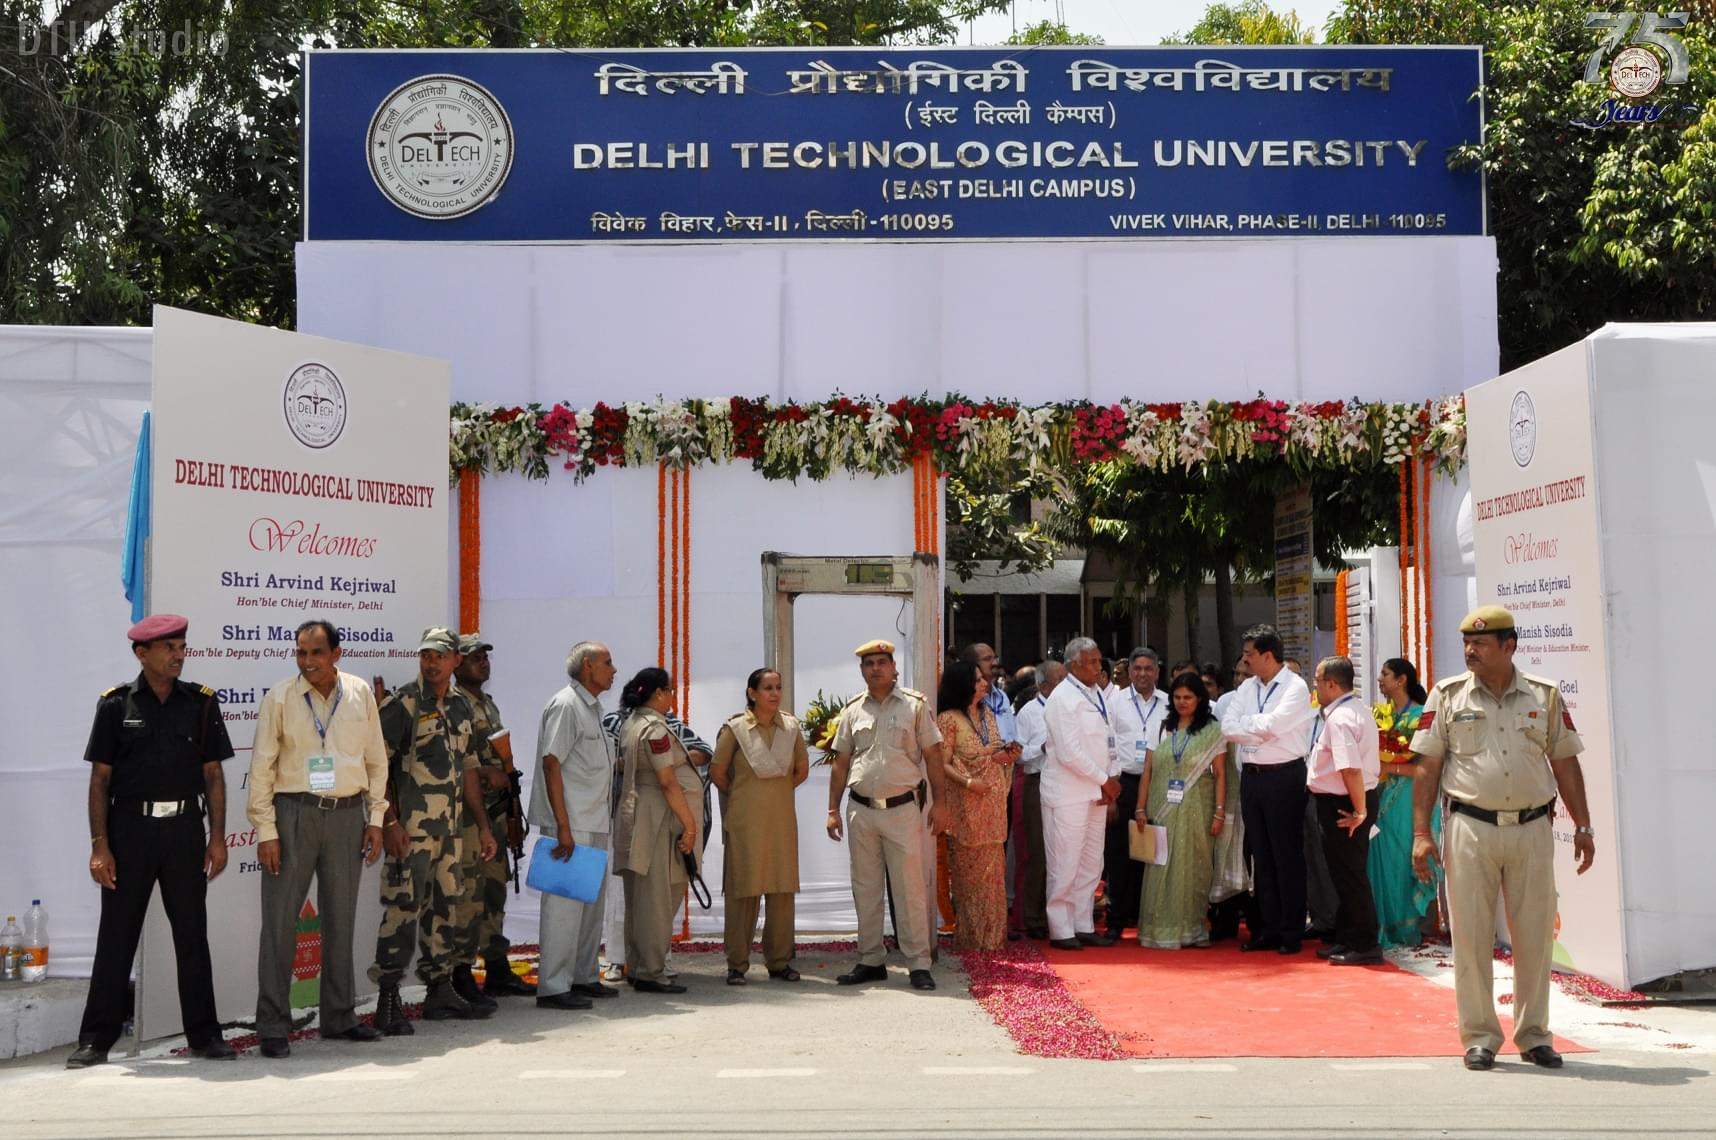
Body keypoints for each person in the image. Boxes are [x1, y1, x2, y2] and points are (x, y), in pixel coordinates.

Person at [1411, 606, 1595, 1072]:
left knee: (1534, 935)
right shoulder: (1446, 695)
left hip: (1532, 828)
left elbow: (1565, 762)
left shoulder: (1544, 695)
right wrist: (1421, 833)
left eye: (1481, 643)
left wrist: (1583, 825)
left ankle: (1534, 1035)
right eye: (1467, 643)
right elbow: (1427, 766)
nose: (1470, 650)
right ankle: (1479, 1037)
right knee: (1471, 935)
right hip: (1470, 827)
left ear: (1509, 646)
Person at [68, 615, 237, 1068]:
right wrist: (100, 845)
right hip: (130, 832)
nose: (179, 655)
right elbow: (100, 780)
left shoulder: (201, 702)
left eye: (182, 646)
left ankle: (205, 1034)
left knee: (192, 934)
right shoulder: (115, 705)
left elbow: (213, 775)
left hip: (184, 831)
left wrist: (217, 838)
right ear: (142, 654)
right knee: (117, 936)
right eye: (169, 648)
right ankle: (96, 1039)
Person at [247, 620, 388, 1059]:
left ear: (336, 654)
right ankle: (273, 1025)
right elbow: (261, 768)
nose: (307, 662)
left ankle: (340, 1017)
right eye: (301, 653)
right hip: (294, 814)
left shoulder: (359, 693)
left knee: (341, 920)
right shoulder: (280, 698)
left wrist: (376, 818)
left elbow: (376, 761)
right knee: (279, 924)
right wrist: (266, 830)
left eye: (316, 653)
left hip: (347, 816)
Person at [369, 628, 498, 1034]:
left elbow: (470, 768)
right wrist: (389, 822)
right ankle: (388, 996)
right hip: (411, 832)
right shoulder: (404, 704)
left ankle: (439, 989)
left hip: (451, 832)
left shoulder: (462, 706)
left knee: (446, 908)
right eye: (426, 655)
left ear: (455, 660)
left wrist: (483, 826)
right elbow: (377, 766)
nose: (432, 663)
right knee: (402, 910)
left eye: (440, 656)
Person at [826, 638, 949, 991]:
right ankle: (870, 959)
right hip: (861, 810)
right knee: (865, 888)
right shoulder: (853, 710)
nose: (876, 668)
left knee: (909, 889)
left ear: (894, 668)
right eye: (869, 664)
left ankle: (918, 963)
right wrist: (832, 809)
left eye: (882, 662)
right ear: (862, 670)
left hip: (902, 810)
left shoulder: (914, 706)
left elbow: (934, 756)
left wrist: (941, 803)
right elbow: (841, 762)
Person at [529, 641, 619, 1011]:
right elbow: (552, 763)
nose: (614, 670)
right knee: (564, 910)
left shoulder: (592, 708)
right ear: (587, 666)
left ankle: (583, 976)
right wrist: (562, 826)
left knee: (589, 907)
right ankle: (553, 987)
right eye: (607, 662)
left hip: (593, 820)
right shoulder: (566, 704)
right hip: (571, 823)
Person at [710, 668, 809, 984]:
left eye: (778, 687)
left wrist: (773, 795)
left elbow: (801, 770)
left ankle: (779, 961)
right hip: (745, 822)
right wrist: (746, 797)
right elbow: (718, 772)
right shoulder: (735, 729)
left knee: (782, 890)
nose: (775, 693)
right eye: (768, 688)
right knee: (743, 890)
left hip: (780, 821)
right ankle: (737, 964)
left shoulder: (791, 727)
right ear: (752, 693)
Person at [599, 705, 711, 982]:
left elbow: (703, 751)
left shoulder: (670, 723)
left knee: (660, 896)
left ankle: (660, 959)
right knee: (621, 896)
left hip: (665, 820)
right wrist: (648, 762)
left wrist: (666, 761)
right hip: (625, 817)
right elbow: (607, 760)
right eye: (664, 691)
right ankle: (617, 960)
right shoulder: (615, 721)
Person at [1221, 624, 1313, 954]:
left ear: (1268, 655)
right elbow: (1228, 727)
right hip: (1253, 778)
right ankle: (1267, 927)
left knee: (1286, 854)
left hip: (1284, 776)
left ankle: (1291, 931)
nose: (1244, 660)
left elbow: (1275, 726)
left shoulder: (1295, 686)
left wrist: (1250, 725)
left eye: (1249, 654)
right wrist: (1257, 728)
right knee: (1260, 854)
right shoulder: (1248, 688)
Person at [451, 633, 534, 1001]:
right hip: (469, 815)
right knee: (469, 893)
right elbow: (454, 761)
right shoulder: (454, 705)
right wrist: (486, 773)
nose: (483, 663)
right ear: (457, 664)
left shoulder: (487, 704)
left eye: (485, 657)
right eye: (475, 658)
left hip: (496, 811)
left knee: (494, 890)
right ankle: (461, 973)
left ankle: (497, 967)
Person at [1041, 637, 1122, 951]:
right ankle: (1061, 929)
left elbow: (1109, 737)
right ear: (1073, 665)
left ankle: (1083, 923)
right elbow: (1069, 752)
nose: (1098, 667)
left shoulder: (1096, 692)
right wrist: (1104, 780)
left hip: (1096, 790)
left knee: (1091, 863)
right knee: (1065, 862)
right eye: (1091, 661)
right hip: (1068, 793)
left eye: (1099, 660)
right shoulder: (1062, 697)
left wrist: (1113, 775)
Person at [1136, 671, 1226, 949]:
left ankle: (1193, 930)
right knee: (1160, 867)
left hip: (1198, 810)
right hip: (1162, 809)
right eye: (1177, 697)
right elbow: (1148, 771)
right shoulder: (1161, 727)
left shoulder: (1212, 731)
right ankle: (1159, 929)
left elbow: (1220, 775)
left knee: (1194, 868)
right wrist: (1140, 808)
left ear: (1200, 699)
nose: (1182, 702)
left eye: (1188, 697)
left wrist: (1219, 812)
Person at [936, 661, 1019, 951]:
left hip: (992, 807)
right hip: (967, 809)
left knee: (994, 874)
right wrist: (970, 782)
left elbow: (993, 755)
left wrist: (1007, 757)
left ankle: (994, 938)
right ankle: (973, 939)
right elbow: (942, 764)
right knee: (970, 877)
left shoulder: (987, 714)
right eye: (978, 680)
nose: (985, 683)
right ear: (964, 685)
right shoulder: (948, 719)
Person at [1307, 656, 1383, 965]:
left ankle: (1365, 943)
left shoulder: (1340, 718)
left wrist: (1359, 812)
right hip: (1349, 800)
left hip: (1346, 803)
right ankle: (1348, 936)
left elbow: (1350, 769)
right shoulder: (1354, 710)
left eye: (1317, 681)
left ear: (1331, 684)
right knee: (1342, 873)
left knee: (1350, 875)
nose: (1315, 687)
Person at [1371, 657, 1439, 949]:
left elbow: (1430, 768)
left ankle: (1407, 927)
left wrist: (1391, 767)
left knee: (1402, 858)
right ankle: (1384, 925)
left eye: (1385, 674)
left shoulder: (1421, 716)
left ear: (1401, 680)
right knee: (1382, 857)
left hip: (1412, 796)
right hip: (1384, 794)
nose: (1379, 679)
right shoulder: (1381, 715)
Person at [1105, 648, 1169, 935]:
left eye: (1148, 668)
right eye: (1138, 669)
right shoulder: (1114, 702)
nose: (1143, 674)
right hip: (1124, 783)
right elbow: (1106, 745)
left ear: (1157, 671)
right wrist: (1110, 792)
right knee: (1119, 853)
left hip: (1157, 785)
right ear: (1130, 672)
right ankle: (1116, 920)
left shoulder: (1168, 703)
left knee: (1151, 853)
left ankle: (1145, 918)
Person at [1011, 659, 1064, 939]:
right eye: (1060, 681)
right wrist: (1042, 748)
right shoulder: (1029, 713)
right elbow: (1018, 755)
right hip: (1037, 782)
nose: (1066, 686)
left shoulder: (1069, 707)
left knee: (1064, 852)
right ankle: (1034, 918)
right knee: (1038, 852)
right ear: (1044, 687)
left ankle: (1061, 915)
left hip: (1067, 784)